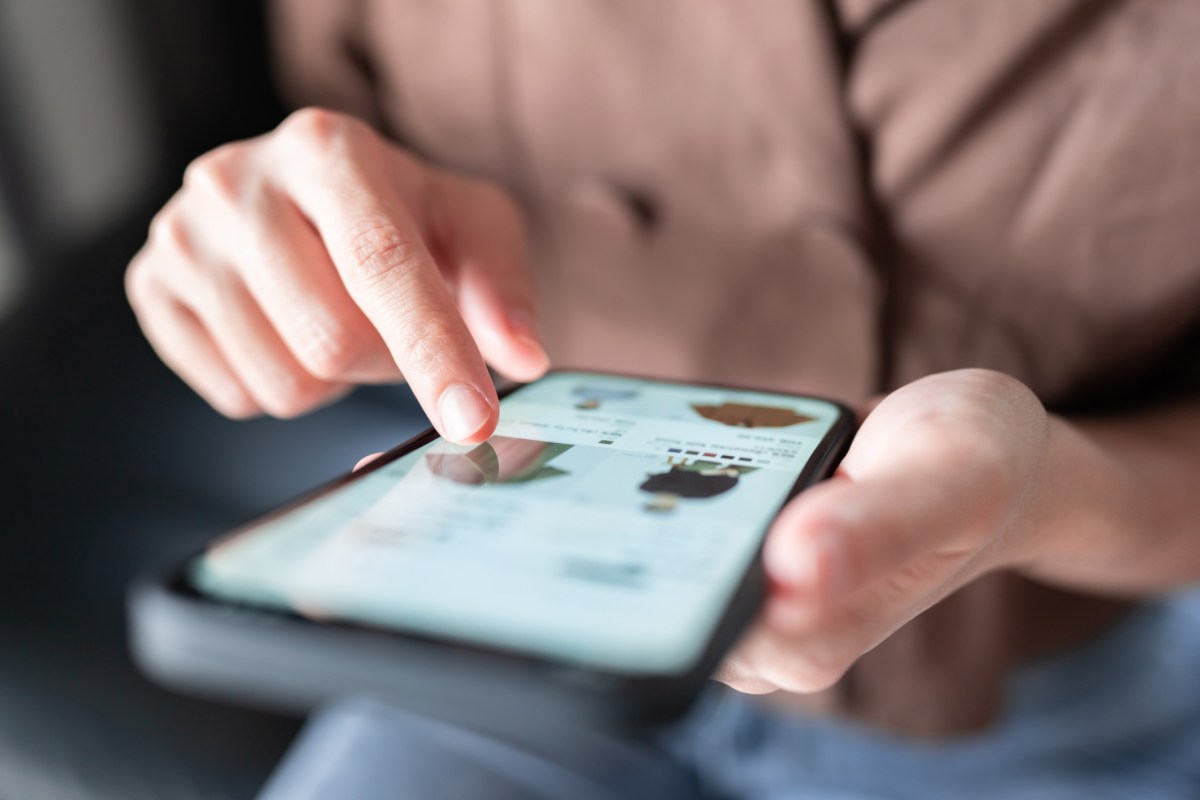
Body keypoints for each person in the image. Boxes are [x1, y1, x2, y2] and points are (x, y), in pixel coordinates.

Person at [125, 0, 1200, 795]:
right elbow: (346, 131)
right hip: (512, 638)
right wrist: (276, 237)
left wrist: (1055, 491)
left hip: (1052, 696)